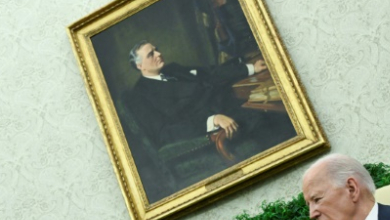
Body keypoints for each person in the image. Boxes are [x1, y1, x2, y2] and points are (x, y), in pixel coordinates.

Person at [125, 41, 296, 161]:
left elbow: (210, 73)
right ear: (140, 66)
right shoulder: (141, 96)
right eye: (151, 54)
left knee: (277, 108)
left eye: (157, 49)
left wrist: (250, 68)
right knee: (266, 119)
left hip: (227, 104)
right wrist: (212, 120)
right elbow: (166, 133)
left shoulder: (173, 69)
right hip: (209, 129)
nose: (159, 54)